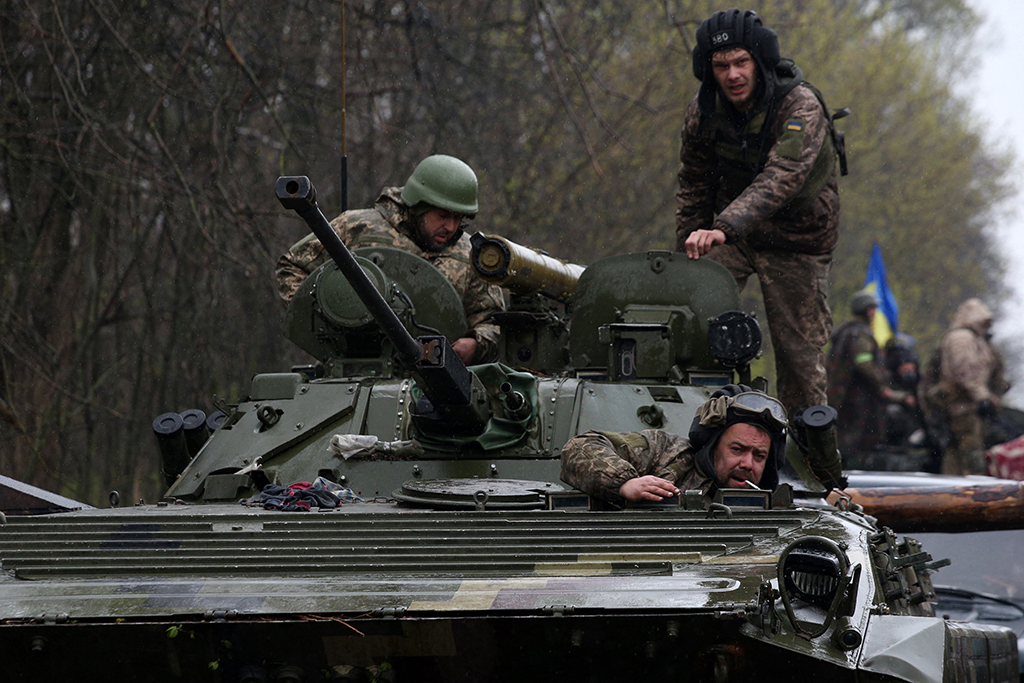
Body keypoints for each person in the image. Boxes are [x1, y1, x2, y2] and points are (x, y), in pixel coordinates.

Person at [676, 9, 841, 417]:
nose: (732, 75)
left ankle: (812, 463)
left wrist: (723, 227)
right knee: (685, 326)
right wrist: (685, 254)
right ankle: (692, 430)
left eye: (740, 62)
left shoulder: (800, 105)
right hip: (731, 235)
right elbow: (694, 182)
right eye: (721, 65)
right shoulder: (703, 112)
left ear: (759, 60)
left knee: (798, 357)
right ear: (708, 69)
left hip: (796, 241)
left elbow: (782, 176)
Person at [276, 155, 505, 365]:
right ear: (419, 205)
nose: (450, 227)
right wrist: (328, 318)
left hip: (435, 383)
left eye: (458, 218)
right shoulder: (356, 228)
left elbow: (492, 321)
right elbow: (293, 267)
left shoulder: (470, 256)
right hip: (350, 371)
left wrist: (477, 344)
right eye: (442, 216)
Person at [560, 385, 786, 507]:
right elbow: (580, 447)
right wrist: (625, 483)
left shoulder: (772, 506)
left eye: (759, 456)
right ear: (712, 445)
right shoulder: (664, 453)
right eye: (737, 449)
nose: (747, 464)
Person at [921, 298, 1010, 475]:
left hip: (965, 405)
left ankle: (951, 491)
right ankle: (973, 492)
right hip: (961, 405)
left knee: (957, 451)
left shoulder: (974, 338)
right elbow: (965, 370)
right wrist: (982, 396)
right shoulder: (962, 338)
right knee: (970, 452)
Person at [826, 290, 909, 468]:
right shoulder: (860, 333)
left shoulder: (846, 331)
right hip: (857, 400)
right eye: (872, 308)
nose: (874, 313)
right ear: (864, 310)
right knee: (855, 443)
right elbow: (863, 362)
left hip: (843, 397)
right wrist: (881, 386)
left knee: (843, 439)